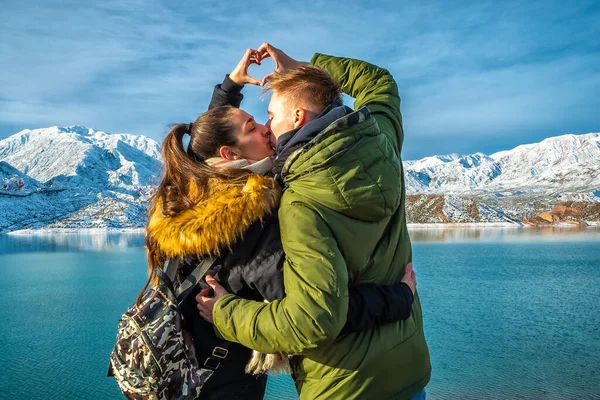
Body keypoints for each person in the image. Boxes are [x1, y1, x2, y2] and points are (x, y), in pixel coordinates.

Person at [144, 48, 419, 400]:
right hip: (220, 384)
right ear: (231, 154)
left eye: (267, 118)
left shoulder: (193, 193)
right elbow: (317, 316)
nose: (267, 128)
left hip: (190, 370)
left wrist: (229, 87)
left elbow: (209, 142)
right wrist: (398, 298)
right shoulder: (262, 218)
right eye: (256, 126)